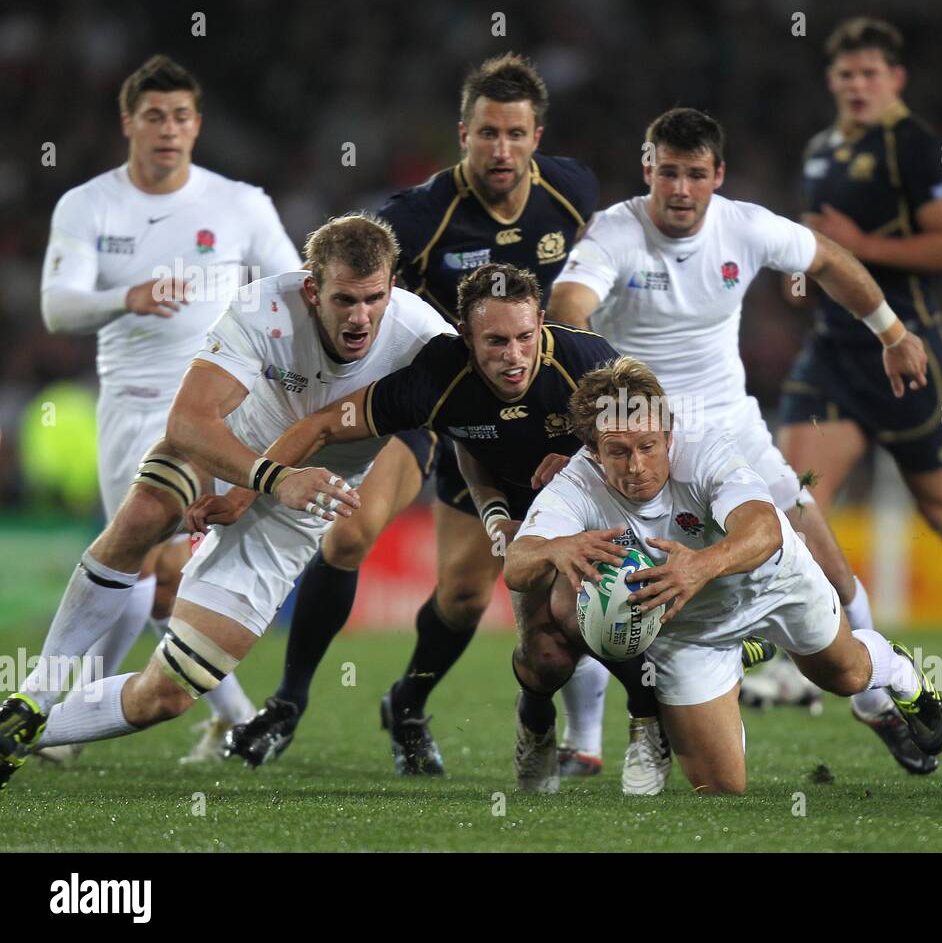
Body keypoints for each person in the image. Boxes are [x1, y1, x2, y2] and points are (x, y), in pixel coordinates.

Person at [230, 53, 610, 777]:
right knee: (348, 537)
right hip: (429, 399)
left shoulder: (572, 191)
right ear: (463, 133)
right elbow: (358, 300)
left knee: (467, 596)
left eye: (516, 134)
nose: (501, 149)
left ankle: (407, 702)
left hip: (530, 407)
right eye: (487, 133)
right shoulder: (417, 218)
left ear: (538, 137)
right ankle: (289, 701)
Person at [545, 106, 937, 771]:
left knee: (835, 579)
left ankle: (872, 692)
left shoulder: (746, 227)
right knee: (576, 594)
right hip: (642, 441)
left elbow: (831, 260)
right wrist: (595, 408)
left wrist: (893, 333)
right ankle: (591, 741)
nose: (679, 188)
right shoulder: (615, 232)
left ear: (717, 176)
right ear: (648, 171)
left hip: (730, 429)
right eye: (667, 172)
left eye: (695, 174)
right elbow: (566, 310)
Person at [0, 215, 448, 794]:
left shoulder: (423, 339)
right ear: (313, 289)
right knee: (143, 513)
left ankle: (23, 731)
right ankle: (35, 690)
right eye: (344, 299)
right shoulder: (265, 308)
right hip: (232, 447)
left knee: (168, 694)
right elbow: (188, 423)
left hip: (296, 510)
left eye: (374, 299)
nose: (360, 317)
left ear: (391, 288)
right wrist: (266, 477)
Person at [504, 356, 942, 794]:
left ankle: (897, 669)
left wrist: (701, 565)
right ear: (593, 451)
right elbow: (517, 566)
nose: (636, 465)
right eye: (618, 452)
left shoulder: (703, 448)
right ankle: (737, 657)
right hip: (689, 627)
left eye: (648, 446)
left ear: (668, 434)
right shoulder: (577, 483)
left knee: (845, 676)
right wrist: (556, 547)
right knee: (721, 788)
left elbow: (765, 528)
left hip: (770, 583)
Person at [34, 54, 301, 763]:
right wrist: (128, 296)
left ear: (198, 125)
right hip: (133, 405)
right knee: (150, 564)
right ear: (129, 123)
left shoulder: (239, 202)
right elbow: (57, 307)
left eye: (181, 116)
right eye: (154, 116)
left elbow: (293, 288)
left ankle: (56, 715)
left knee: (166, 561)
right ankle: (228, 719)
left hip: (218, 407)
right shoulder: (89, 205)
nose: (168, 129)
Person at [777, 17, 942, 754]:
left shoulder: (918, 147)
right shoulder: (822, 151)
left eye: (870, 74)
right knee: (793, 505)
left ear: (896, 79)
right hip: (830, 355)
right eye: (846, 75)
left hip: (905, 351)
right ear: (832, 81)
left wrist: (862, 247)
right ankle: (826, 659)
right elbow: (812, 243)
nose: (857, 86)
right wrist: (801, 267)